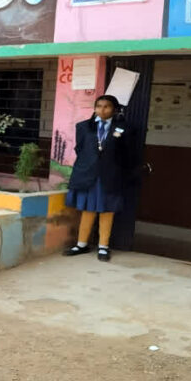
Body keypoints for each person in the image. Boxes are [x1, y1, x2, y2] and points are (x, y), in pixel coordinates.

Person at [63, 94, 137, 262]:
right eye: (99, 106)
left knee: (107, 209)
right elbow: (80, 149)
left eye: (107, 106)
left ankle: (103, 246)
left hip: (111, 175)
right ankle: (81, 244)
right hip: (88, 174)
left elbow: (128, 154)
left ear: (115, 109)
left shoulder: (124, 128)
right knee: (87, 208)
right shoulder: (83, 127)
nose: (102, 110)